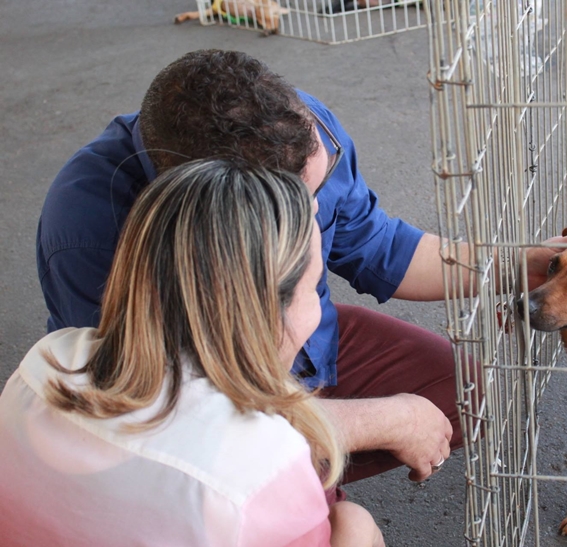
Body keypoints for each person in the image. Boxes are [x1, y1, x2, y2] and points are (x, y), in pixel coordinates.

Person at [36, 49, 567, 490]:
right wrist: (380, 421)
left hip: (294, 352)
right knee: (328, 521)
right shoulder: (89, 234)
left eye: (319, 188)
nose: (318, 228)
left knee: (473, 395)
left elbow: (376, 246)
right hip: (192, 406)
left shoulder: (301, 133)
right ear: (209, 202)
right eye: (297, 214)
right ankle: (298, 480)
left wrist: (511, 264)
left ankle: (306, 466)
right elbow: (171, 423)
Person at [1, 159, 384, 546]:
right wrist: (357, 530)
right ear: (266, 308)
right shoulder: (263, 462)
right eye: (313, 286)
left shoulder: (45, 362)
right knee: (353, 523)